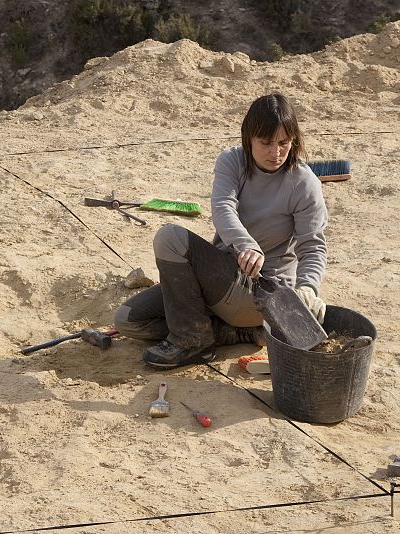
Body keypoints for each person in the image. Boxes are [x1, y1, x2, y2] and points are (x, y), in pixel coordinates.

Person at [114, 93, 328, 369]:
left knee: (170, 238)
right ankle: (226, 333)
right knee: (128, 319)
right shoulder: (232, 161)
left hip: (263, 295)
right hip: (222, 280)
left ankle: (192, 341)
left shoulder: (304, 182)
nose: (276, 153)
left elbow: (313, 246)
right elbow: (223, 208)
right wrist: (246, 245)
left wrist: (308, 288)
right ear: (248, 137)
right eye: (266, 143)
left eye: (284, 143)